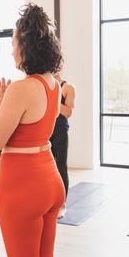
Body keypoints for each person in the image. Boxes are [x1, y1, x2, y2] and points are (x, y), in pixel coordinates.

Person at [0, 3, 64, 257]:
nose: (12, 51)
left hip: (23, 186)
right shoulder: (53, 83)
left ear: (26, 46)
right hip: (50, 179)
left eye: (14, 44)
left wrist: (1, 105)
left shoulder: (21, 88)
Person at [50, 71, 75, 219]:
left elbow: (68, 112)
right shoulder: (45, 86)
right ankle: (50, 201)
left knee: (61, 167)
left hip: (60, 131)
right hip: (45, 131)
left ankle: (62, 204)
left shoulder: (68, 87)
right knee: (47, 169)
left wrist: (53, 99)